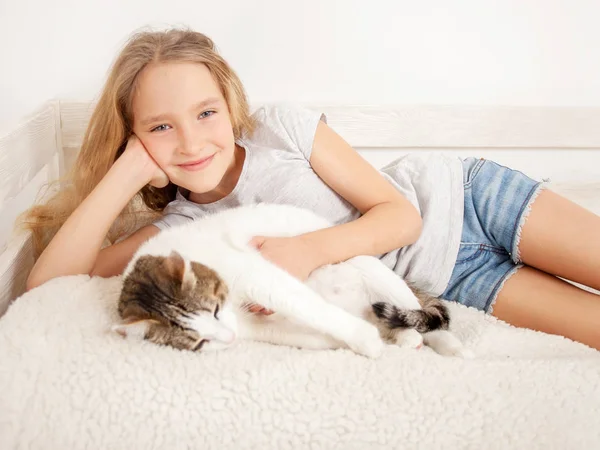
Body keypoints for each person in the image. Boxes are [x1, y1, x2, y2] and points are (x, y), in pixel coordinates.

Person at [22, 28, 600, 351]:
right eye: (160, 128)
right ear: (137, 138)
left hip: (468, 200)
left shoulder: (281, 128)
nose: (191, 142)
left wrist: (307, 252)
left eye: (205, 113)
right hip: (449, 279)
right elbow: (47, 286)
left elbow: (401, 218)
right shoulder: (183, 236)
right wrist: (125, 170)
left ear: (231, 105)